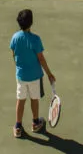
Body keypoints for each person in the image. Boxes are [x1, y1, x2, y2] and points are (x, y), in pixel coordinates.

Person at [10, 8, 55, 138]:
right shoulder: (36, 39)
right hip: (35, 76)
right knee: (34, 99)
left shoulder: (15, 37)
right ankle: (35, 123)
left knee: (21, 99)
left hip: (21, 76)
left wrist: (19, 67)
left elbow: (14, 54)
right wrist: (49, 74)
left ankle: (18, 126)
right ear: (31, 23)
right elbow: (41, 58)